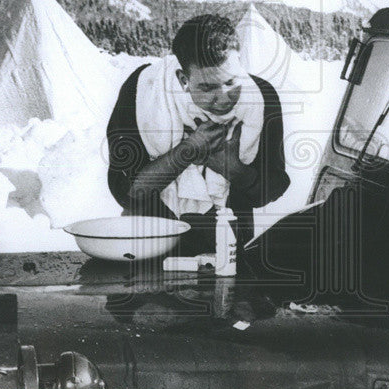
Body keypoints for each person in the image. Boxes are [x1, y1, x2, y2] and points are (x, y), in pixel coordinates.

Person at [107, 14, 290, 254]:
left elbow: (272, 188)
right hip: (151, 243)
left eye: (231, 82)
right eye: (207, 87)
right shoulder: (145, 92)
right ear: (183, 80)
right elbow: (126, 192)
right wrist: (187, 151)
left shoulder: (260, 99)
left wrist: (232, 168)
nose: (224, 98)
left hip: (231, 246)